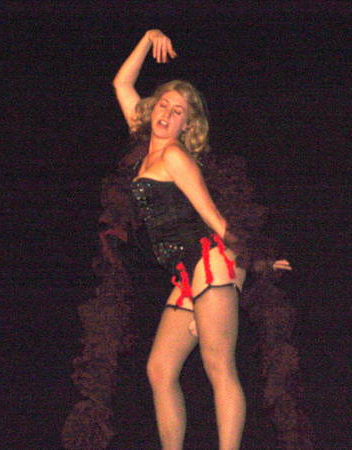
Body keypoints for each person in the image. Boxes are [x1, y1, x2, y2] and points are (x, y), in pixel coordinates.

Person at [111, 29, 292, 450]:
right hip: (186, 271)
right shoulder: (145, 146)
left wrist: (258, 259)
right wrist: (147, 38)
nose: (167, 113)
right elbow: (121, 83)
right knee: (159, 369)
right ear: (152, 108)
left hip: (211, 259)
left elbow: (214, 219)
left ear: (186, 125)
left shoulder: (175, 157)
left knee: (218, 364)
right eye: (164, 104)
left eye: (178, 111)